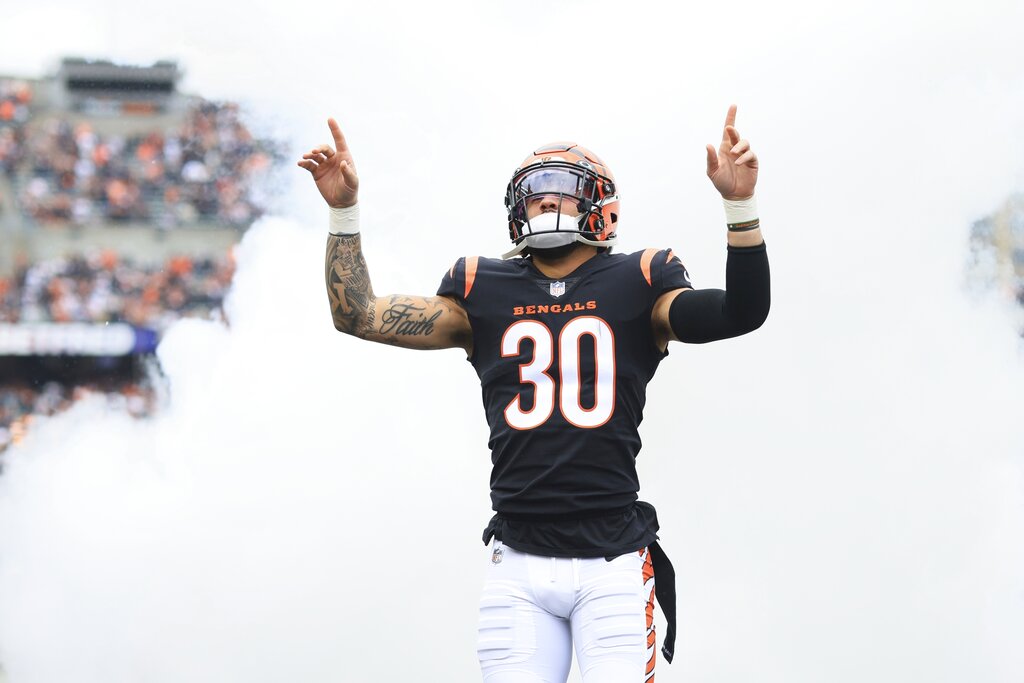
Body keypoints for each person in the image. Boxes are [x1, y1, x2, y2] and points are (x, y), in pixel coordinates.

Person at [298, 105, 769, 683]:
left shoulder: (642, 278)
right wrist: (344, 212)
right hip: (517, 563)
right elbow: (358, 315)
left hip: (613, 562)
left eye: (562, 192)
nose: (545, 202)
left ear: (600, 203)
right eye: (533, 194)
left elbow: (741, 312)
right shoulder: (481, 287)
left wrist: (739, 206)